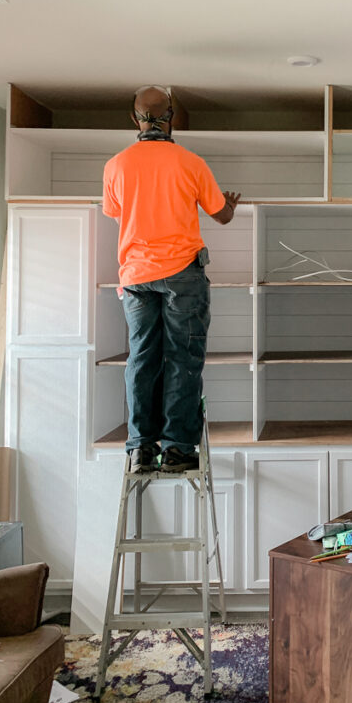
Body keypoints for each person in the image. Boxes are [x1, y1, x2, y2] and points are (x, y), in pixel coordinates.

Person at [102, 85, 241, 474]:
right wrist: (228, 204)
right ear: (172, 116)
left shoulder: (116, 165)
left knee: (142, 359)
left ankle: (141, 449)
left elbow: (115, 211)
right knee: (183, 358)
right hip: (182, 274)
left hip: (135, 278)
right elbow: (222, 216)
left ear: (135, 119)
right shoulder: (191, 162)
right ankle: (179, 449)